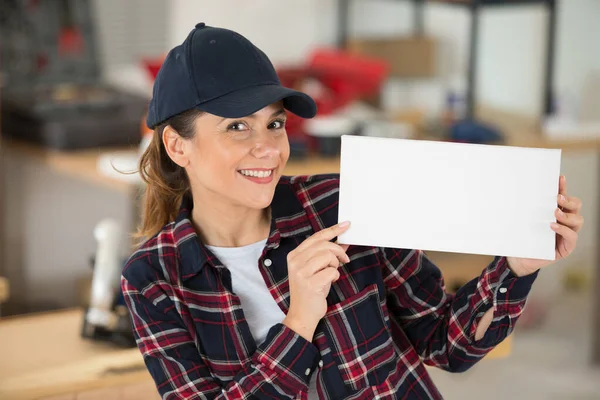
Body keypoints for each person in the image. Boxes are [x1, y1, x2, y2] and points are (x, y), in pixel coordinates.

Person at [121, 23, 584, 400]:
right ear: (178, 145)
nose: (266, 147)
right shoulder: (153, 279)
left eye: (275, 123)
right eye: (237, 126)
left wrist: (516, 268)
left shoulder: (343, 206)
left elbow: (446, 345)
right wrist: (299, 321)